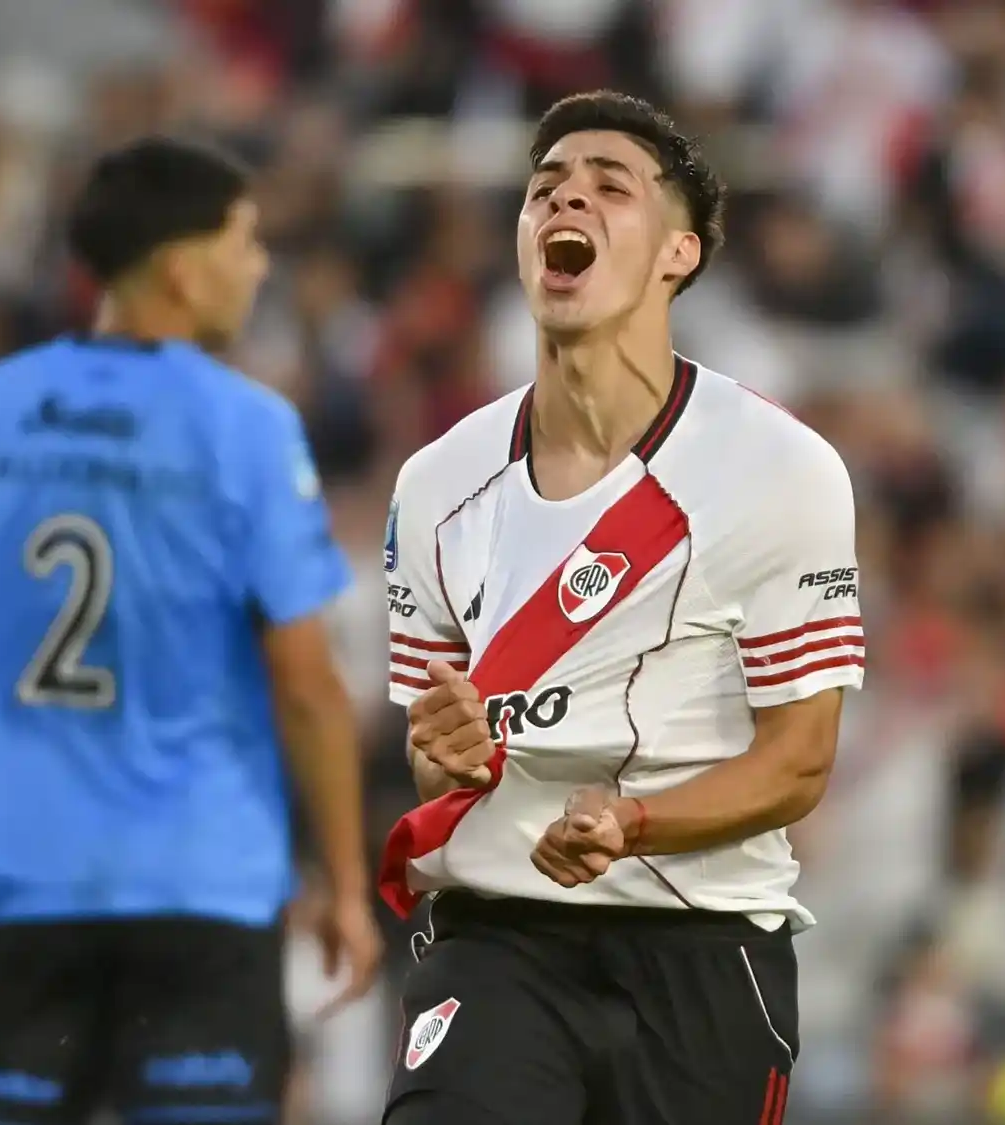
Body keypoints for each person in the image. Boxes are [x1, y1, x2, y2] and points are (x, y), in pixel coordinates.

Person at [379, 92, 864, 1125]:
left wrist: (633, 823)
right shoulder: (435, 483)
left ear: (679, 253)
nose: (568, 201)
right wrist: (444, 752)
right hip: (499, 935)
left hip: (700, 946)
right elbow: (435, 764)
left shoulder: (780, 469)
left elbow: (799, 762)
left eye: (611, 187)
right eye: (546, 188)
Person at [0, 136, 382, 1125]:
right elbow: (307, 685)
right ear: (183, 270)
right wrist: (345, 882)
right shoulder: (247, 428)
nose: (259, 267)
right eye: (244, 242)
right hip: (201, 887)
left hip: (13, 879)